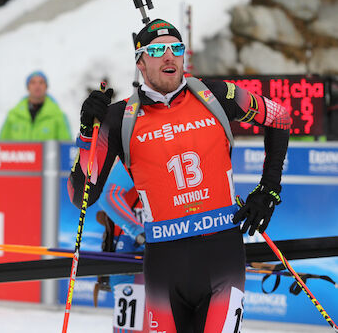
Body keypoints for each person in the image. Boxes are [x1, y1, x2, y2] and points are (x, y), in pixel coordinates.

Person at [68, 18, 290, 333]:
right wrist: (87, 135)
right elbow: (81, 197)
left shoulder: (216, 95)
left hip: (222, 256)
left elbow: (279, 117)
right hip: (163, 263)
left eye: (176, 48)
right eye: (157, 50)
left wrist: (268, 189)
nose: (169, 55)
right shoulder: (118, 119)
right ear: (140, 61)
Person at [95, 161, 146, 333]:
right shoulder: (135, 151)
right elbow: (108, 197)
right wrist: (139, 232)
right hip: (131, 248)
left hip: (165, 246)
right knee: (130, 327)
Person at [0, 71, 72, 141]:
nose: (37, 86)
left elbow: (66, 147)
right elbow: (1, 146)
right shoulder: (13, 116)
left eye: (41, 82)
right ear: (28, 87)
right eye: (33, 82)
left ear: (46, 87)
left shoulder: (58, 116)